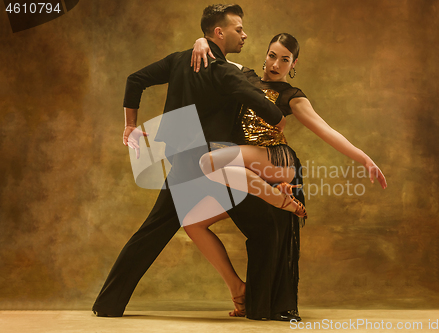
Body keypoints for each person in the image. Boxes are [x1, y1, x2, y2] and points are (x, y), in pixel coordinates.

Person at [92, 4, 301, 321]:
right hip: (213, 165)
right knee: (262, 228)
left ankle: (110, 304)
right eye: (238, 29)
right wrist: (274, 118)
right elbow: (269, 111)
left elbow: (135, 80)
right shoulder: (226, 72)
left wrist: (129, 125)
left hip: (190, 161)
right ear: (219, 32)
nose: (244, 35)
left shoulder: (180, 60)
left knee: (157, 230)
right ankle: (254, 302)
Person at [184, 32, 388, 317]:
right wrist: (201, 41)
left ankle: (279, 198)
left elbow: (326, 130)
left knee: (209, 162)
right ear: (265, 54)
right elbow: (217, 58)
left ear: (293, 64)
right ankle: (238, 290)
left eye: (284, 60)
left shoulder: (292, 96)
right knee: (192, 222)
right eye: (272, 56)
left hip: (275, 160)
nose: (276, 64)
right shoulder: (245, 76)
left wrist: (363, 158)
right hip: (245, 168)